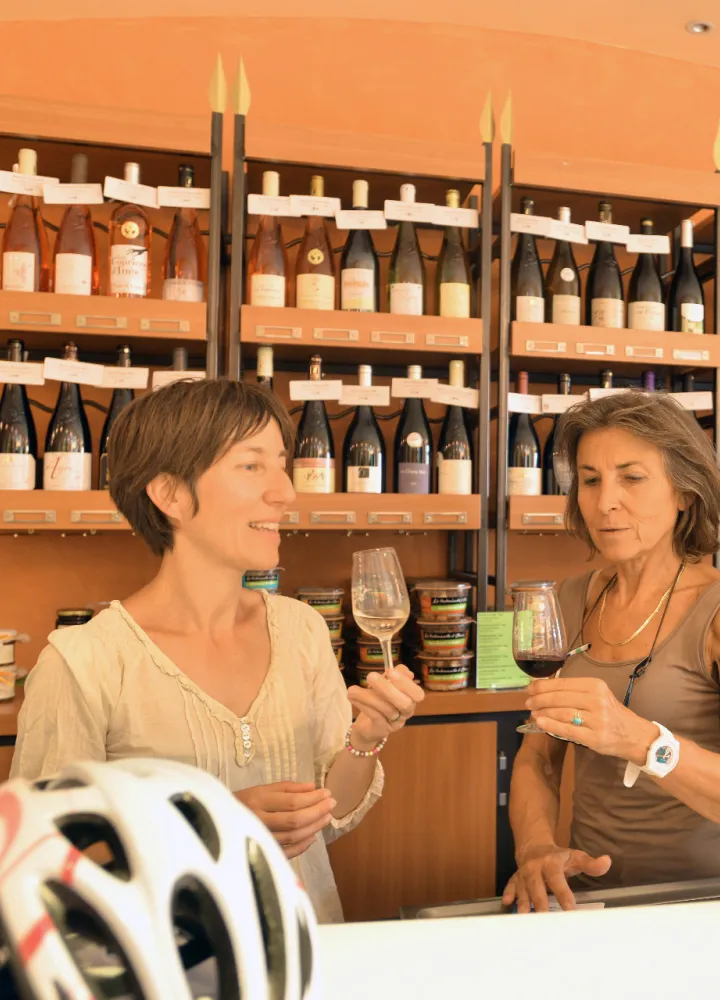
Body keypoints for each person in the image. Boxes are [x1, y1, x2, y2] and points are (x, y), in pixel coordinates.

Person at [11, 378, 424, 924]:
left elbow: (330, 816)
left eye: (282, 462)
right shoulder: (84, 661)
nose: (285, 491)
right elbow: (42, 860)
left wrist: (365, 740)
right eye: (252, 466)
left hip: (302, 950)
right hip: (166, 965)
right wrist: (211, 822)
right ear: (171, 495)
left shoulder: (299, 629)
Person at [504, 390, 720, 912]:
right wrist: (536, 847)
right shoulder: (570, 599)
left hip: (699, 906)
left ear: (685, 492)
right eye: (591, 479)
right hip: (589, 901)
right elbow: (539, 756)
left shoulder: (713, 612)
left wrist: (641, 740)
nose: (605, 502)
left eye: (632, 477)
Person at [0, 756, 320, 1000]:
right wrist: (190, 830)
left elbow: (335, 802)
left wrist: (362, 742)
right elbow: (50, 823)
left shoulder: (303, 668)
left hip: (235, 930)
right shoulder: (81, 671)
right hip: (106, 939)